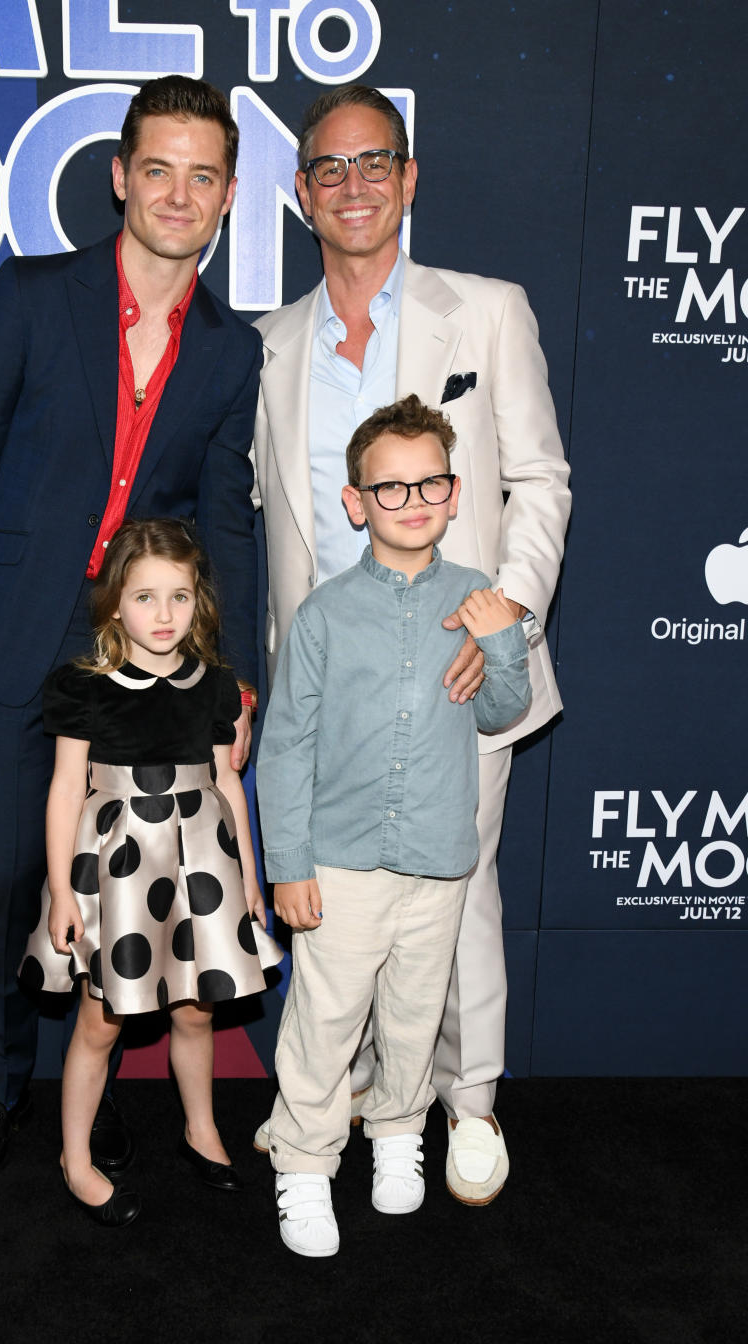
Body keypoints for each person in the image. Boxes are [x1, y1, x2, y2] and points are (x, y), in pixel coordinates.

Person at [0, 76, 262, 1183]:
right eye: (157, 168)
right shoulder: (30, 297)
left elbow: (223, 522)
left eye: (202, 174)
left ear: (227, 196)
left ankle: (92, 1093)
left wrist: (233, 677)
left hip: (146, 650)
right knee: (14, 871)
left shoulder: (228, 348)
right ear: (120, 176)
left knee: (126, 881)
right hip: (18, 629)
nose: (178, 192)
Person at [252, 85, 571, 1204]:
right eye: (330, 169)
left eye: (375, 162)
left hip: (454, 666)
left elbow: (540, 479)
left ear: (410, 177)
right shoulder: (272, 343)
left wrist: (506, 619)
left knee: (457, 892)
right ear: (301, 194)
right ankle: (324, 1113)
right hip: (329, 682)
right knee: (335, 915)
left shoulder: (484, 311)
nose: (354, 185)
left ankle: (465, 1103)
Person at [257, 395, 531, 1256]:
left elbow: (502, 712)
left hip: (439, 857)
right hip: (338, 861)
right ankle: (303, 1168)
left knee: (415, 1015)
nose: (412, 502)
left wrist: (506, 641)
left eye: (430, 485)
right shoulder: (326, 614)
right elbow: (286, 743)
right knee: (325, 1019)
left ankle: (399, 1140)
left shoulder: (479, 596)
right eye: (390, 489)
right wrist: (289, 862)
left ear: (455, 494)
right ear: (354, 502)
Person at [19, 519, 267, 1225]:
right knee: (101, 1022)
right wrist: (63, 892)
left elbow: (227, 781)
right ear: (114, 604)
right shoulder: (82, 686)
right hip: (118, 868)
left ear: (200, 603)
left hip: (202, 859)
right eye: (146, 597)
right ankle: (75, 1158)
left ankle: (201, 1129)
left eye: (180, 597)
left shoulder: (219, 686)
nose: (164, 616)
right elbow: (67, 789)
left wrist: (248, 878)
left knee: (198, 1008)